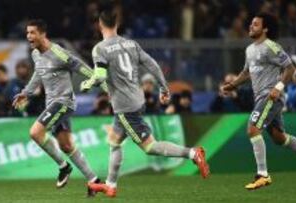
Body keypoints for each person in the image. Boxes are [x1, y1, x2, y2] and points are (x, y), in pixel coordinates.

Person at [81, 4, 209, 198]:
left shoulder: (100, 48)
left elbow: (99, 76)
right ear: (117, 24)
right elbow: (152, 64)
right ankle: (110, 185)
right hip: (136, 99)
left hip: (125, 106)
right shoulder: (131, 44)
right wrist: (164, 87)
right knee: (114, 142)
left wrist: (87, 83)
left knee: (150, 147)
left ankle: (192, 153)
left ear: (100, 25)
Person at [221, 13, 296, 190]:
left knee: (253, 129)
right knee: (279, 138)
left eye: (255, 24)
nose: (251, 27)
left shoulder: (271, 46)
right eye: (251, 24)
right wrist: (232, 85)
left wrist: (278, 87)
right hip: (262, 97)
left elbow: (290, 68)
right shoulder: (250, 49)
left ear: (265, 28)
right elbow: (246, 73)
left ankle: (262, 174)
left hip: (271, 96)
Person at [12, 19, 100, 195]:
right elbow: (38, 73)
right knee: (66, 145)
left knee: (35, 133)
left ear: (43, 34)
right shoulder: (36, 54)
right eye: (27, 32)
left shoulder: (59, 53)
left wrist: (101, 84)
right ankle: (94, 181)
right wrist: (26, 92)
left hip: (64, 102)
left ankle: (64, 166)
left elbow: (81, 67)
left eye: (32, 32)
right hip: (51, 103)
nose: (29, 36)